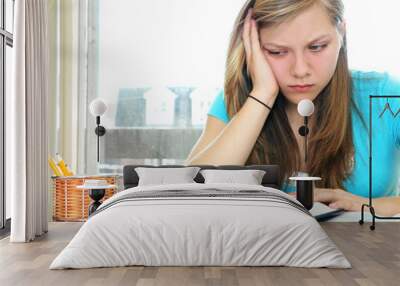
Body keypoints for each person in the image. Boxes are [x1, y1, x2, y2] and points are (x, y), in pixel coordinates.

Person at [184, 0, 400, 216]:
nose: (300, 70)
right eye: (277, 52)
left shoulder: (385, 96)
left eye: (316, 47)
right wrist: (262, 95)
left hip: (365, 248)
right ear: (253, 45)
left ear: (341, 33)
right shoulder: (241, 100)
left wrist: (365, 205)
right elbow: (190, 195)